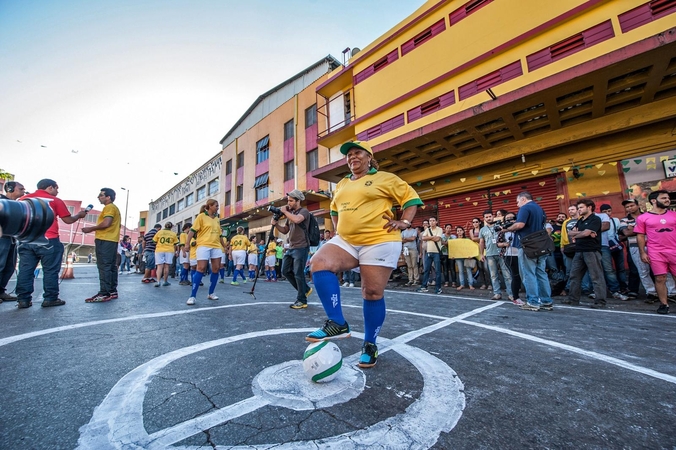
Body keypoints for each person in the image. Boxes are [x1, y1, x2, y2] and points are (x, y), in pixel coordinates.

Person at [306, 140, 422, 368]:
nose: (352, 157)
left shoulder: (385, 178)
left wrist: (405, 221)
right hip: (347, 240)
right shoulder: (341, 184)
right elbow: (334, 209)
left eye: (357, 152)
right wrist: (338, 229)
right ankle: (337, 323)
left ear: (369, 157)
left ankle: (370, 344)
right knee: (318, 262)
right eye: (349, 154)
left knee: (371, 292)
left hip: (379, 239)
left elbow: (411, 199)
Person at [15, 180, 87, 308]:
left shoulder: (23, 199)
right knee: (50, 271)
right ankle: (50, 298)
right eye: (56, 188)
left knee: (25, 270)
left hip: (26, 239)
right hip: (48, 239)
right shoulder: (55, 201)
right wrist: (79, 215)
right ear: (50, 187)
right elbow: (68, 220)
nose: (57, 191)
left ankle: (23, 300)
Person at [505, 192, 553, 311]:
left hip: (528, 245)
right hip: (540, 244)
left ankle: (533, 302)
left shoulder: (525, 208)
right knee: (541, 273)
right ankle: (546, 301)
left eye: (517, 202)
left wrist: (506, 229)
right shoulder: (540, 209)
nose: (517, 205)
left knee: (529, 274)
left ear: (523, 199)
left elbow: (520, 225)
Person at [635, 190, 676, 314]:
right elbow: (640, 236)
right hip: (656, 252)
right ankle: (664, 304)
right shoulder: (643, 218)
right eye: (663, 198)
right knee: (660, 278)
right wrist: (642, 252)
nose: (667, 200)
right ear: (653, 201)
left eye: (667, 198)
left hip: (674, 250)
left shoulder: (674, 215)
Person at [271, 189, 313, 309]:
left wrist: (285, 211)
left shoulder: (304, 212)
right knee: (285, 271)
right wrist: (276, 224)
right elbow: (285, 230)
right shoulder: (291, 214)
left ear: (298, 201)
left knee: (298, 273)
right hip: (291, 247)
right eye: (288, 200)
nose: (288, 203)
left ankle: (302, 300)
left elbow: (297, 219)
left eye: (291, 201)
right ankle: (305, 289)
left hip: (301, 246)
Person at [562, 199, 607, 308]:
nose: (579, 210)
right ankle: (573, 299)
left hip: (591, 251)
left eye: (581, 207)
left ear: (589, 207)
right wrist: (584, 233)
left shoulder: (595, 219)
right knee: (574, 276)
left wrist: (579, 234)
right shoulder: (580, 220)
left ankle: (600, 301)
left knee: (596, 277)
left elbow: (585, 233)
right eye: (578, 208)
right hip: (579, 251)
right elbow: (570, 232)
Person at [183, 199, 226, 305]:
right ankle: (192, 296)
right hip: (203, 245)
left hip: (216, 246)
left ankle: (211, 293)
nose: (217, 208)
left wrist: (224, 246)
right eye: (216, 206)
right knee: (201, 268)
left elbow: (220, 235)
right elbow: (192, 231)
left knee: (216, 269)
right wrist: (187, 244)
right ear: (210, 206)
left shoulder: (217, 219)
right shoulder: (201, 216)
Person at [82, 188, 121, 303]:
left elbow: (106, 223)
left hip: (105, 239)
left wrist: (90, 228)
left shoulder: (109, 207)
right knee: (111, 266)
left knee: (104, 266)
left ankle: (104, 293)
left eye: (101, 195)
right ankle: (112, 291)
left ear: (108, 197)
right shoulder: (114, 208)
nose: (98, 197)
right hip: (112, 240)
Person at [479, 210, 513, 300]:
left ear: (493, 216)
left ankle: (511, 294)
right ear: (484, 219)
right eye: (486, 217)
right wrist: (481, 254)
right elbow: (481, 242)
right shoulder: (482, 230)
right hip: (490, 254)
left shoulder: (500, 226)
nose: (488, 218)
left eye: (490, 216)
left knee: (507, 274)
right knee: (493, 275)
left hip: (502, 253)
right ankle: (497, 293)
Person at [0, 181, 25, 303]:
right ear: (10, 189)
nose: (23, 191)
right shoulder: (1, 202)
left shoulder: (18, 205)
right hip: (2, 238)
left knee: (9, 267)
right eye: (21, 189)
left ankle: (1, 291)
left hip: (12, 238)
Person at [598, 204, 629, 301]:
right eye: (604, 211)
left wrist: (622, 240)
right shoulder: (599, 221)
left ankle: (623, 287)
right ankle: (614, 289)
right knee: (608, 269)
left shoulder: (616, 220)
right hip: (604, 246)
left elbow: (620, 232)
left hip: (616, 245)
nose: (607, 213)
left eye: (609, 211)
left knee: (621, 268)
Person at [417, 217, 444, 294]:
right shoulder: (427, 230)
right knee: (426, 270)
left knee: (437, 270)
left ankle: (438, 288)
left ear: (436, 222)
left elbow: (437, 239)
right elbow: (423, 238)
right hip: (428, 252)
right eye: (430, 221)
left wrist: (428, 238)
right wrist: (432, 237)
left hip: (436, 252)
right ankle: (424, 286)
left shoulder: (439, 229)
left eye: (433, 221)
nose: (431, 222)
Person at [153, 222, 179, 287]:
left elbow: (154, 241)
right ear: (171, 227)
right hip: (169, 250)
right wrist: (176, 252)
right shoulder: (173, 234)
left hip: (159, 250)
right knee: (166, 266)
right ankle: (165, 281)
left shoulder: (159, 232)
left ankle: (158, 281)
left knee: (159, 266)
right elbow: (176, 243)